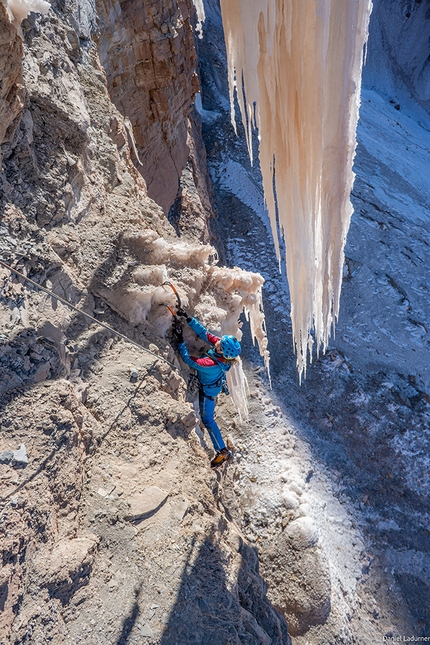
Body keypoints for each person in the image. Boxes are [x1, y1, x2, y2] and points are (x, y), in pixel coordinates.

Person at [172, 308, 241, 469]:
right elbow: (205, 334)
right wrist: (189, 319)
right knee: (209, 419)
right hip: (212, 387)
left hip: (208, 393)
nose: (216, 340)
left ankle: (222, 451)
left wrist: (181, 341)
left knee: (208, 420)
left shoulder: (210, 364)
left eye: (219, 342)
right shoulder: (223, 354)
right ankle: (222, 450)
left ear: (222, 350)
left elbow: (189, 360)